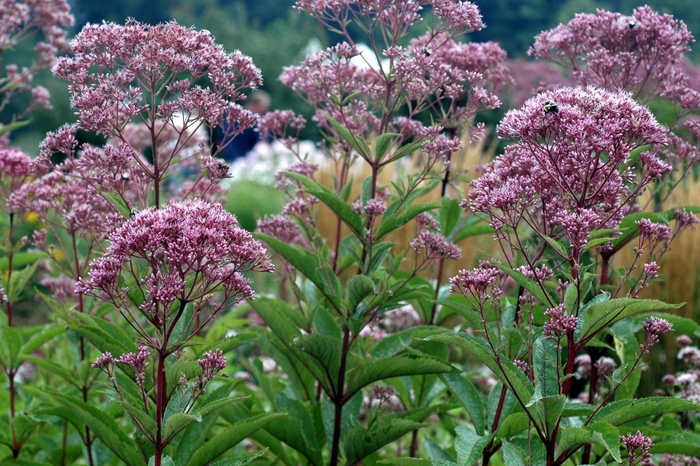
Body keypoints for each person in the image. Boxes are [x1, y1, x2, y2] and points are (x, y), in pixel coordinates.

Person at [214, 90, 271, 162]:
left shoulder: (230, 116)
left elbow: (218, 141)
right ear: (256, 105)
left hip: (226, 161)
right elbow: (262, 144)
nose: (264, 112)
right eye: (264, 108)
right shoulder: (254, 120)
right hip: (245, 164)